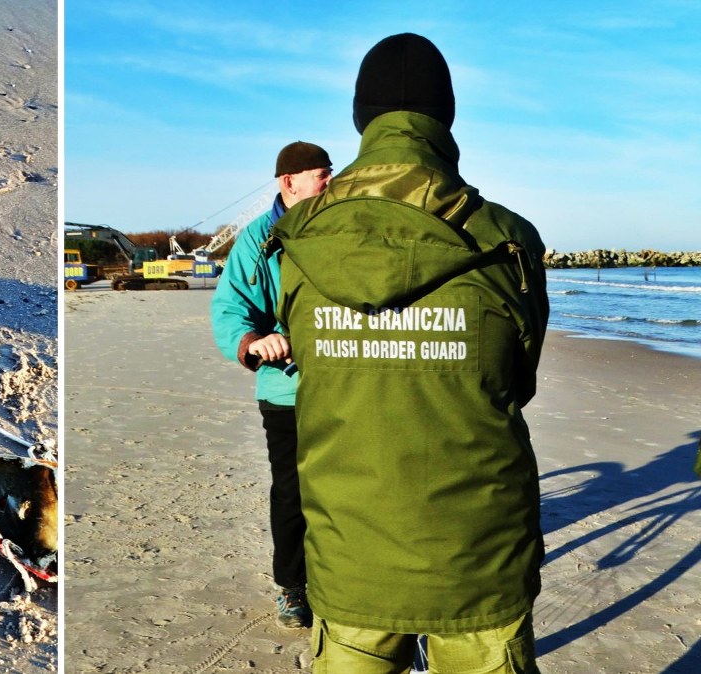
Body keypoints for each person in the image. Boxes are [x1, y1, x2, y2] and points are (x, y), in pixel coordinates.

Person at [271, 33, 549, 673]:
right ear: (444, 117)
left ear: (361, 120)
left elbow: (309, 364)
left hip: (351, 552)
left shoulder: (301, 241)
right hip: (477, 554)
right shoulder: (507, 240)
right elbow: (517, 378)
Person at [209, 141, 332, 628]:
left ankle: (349, 580)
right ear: (289, 182)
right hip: (287, 390)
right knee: (293, 493)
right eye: (322, 174)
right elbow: (230, 307)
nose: (331, 182)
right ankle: (292, 587)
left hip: (350, 388)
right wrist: (254, 342)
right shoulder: (260, 240)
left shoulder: (345, 225)